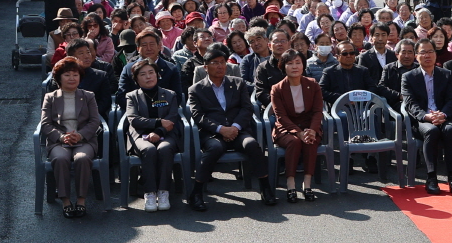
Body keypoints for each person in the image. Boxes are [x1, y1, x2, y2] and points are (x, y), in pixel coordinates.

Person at [185, 44, 274, 210]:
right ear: (205, 67)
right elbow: (198, 116)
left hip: (237, 130)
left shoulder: (238, 83)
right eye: (215, 63)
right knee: (214, 149)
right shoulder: (196, 89)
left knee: (252, 145)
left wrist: (235, 127)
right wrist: (220, 129)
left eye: (222, 62)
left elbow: (247, 108)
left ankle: (265, 188)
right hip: (213, 133)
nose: (220, 66)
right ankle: (196, 192)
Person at [41, 57, 104, 218]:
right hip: (59, 141)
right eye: (67, 75)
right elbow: (46, 123)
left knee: (82, 158)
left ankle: (81, 200)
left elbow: (95, 120)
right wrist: (62, 137)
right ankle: (66, 201)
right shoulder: (51, 97)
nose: (72, 78)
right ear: (59, 78)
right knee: (61, 159)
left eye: (75, 75)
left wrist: (81, 135)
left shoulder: (88, 95)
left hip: (84, 140)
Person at [402, 39, 452, 195]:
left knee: (450, 130)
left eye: (430, 51)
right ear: (417, 56)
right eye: (423, 52)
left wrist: (443, 114)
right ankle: (431, 177)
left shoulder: (446, 74)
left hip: (443, 115)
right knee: (432, 132)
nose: (427, 55)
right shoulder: (409, 77)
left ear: (436, 55)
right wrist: (427, 117)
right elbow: (410, 104)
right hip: (423, 120)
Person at [123, 58, 181, 211]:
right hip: (140, 135)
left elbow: (172, 118)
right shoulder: (132, 96)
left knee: (165, 148)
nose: (148, 77)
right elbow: (134, 120)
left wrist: (159, 131)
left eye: (151, 73)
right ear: (136, 79)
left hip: (166, 134)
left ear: (157, 75)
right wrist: (158, 123)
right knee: (148, 150)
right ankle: (149, 192)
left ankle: (163, 191)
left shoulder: (170, 95)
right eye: (143, 74)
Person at [271, 50, 326, 201]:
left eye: (298, 62)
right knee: (294, 142)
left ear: (303, 65)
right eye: (290, 63)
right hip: (286, 127)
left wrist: (313, 130)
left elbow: (317, 111)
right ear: (283, 66)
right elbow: (280, 116)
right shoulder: (277, 88)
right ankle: (290, 184)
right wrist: (298, 132)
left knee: (310, 140)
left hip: (309, 124)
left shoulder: (312, 84)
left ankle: (307, 184)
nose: (294, 66)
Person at [116, 29, 183, 105]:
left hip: (165, 113)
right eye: (144, 45)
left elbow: (177, 97)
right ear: (138, 49)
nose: (149, 48)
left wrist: (156, 106)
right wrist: (143, 107)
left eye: (152, 44)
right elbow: (121, 97)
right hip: (137, 113)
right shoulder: (128, 69)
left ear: (159, 46)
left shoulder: (171, 68)